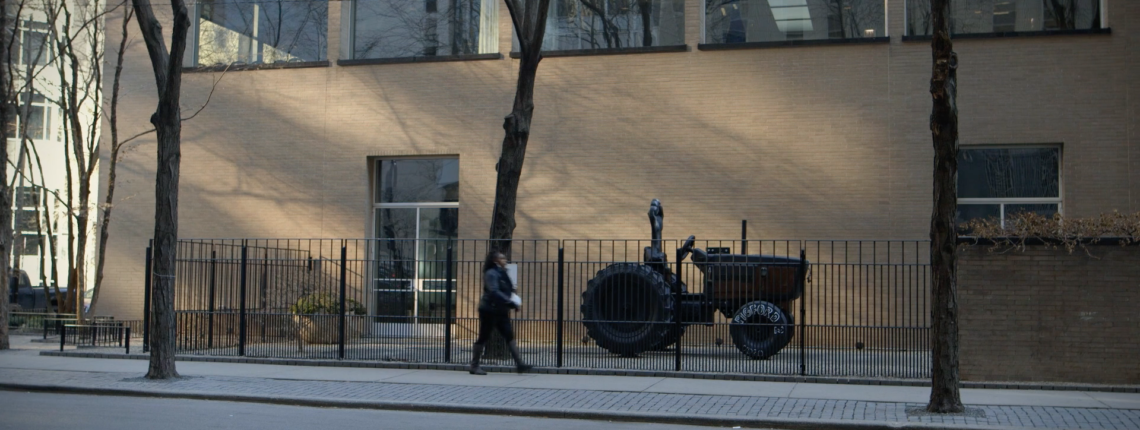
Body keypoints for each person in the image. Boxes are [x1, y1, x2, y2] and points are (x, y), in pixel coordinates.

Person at [470, 250, 532, 375]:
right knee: (483, 336)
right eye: (502, 258)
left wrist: (513, 299)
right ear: (495, 260)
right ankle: (474, 365)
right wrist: (509, 302)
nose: (505, 260)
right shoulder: (491, 273)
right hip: (489, 310)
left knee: (509, 335)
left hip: (500, 310)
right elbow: (494, 291)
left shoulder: (502, 272)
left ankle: (520, 364)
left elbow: (506, 290)